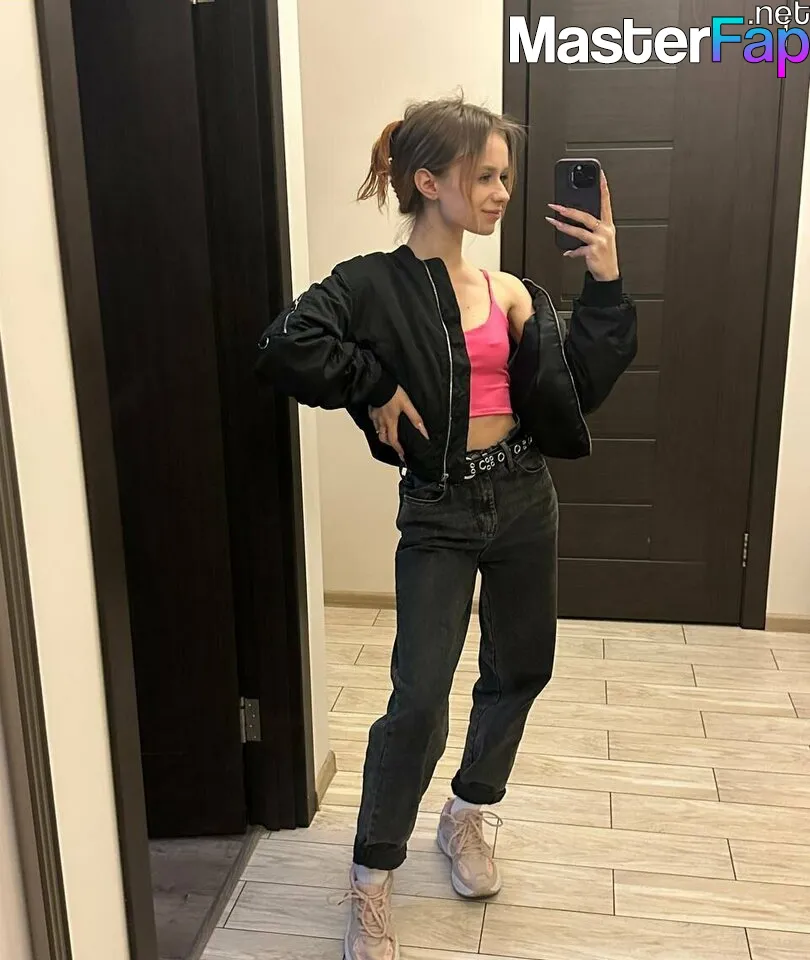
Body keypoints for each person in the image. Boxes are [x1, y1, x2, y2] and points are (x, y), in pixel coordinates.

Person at [255, 94, 637, 960]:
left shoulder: (511, 291)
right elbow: (284, 345)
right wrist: (373, 383)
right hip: (440, 505)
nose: (502, 192)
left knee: (520, 668)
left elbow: (582, 386)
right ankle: (371, 874)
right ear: (428, 182)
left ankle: (466, 812)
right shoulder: (371, 283)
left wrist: (606, 281)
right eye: (485, 177)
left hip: (524, 495)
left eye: (506, 175)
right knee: (419, 698)